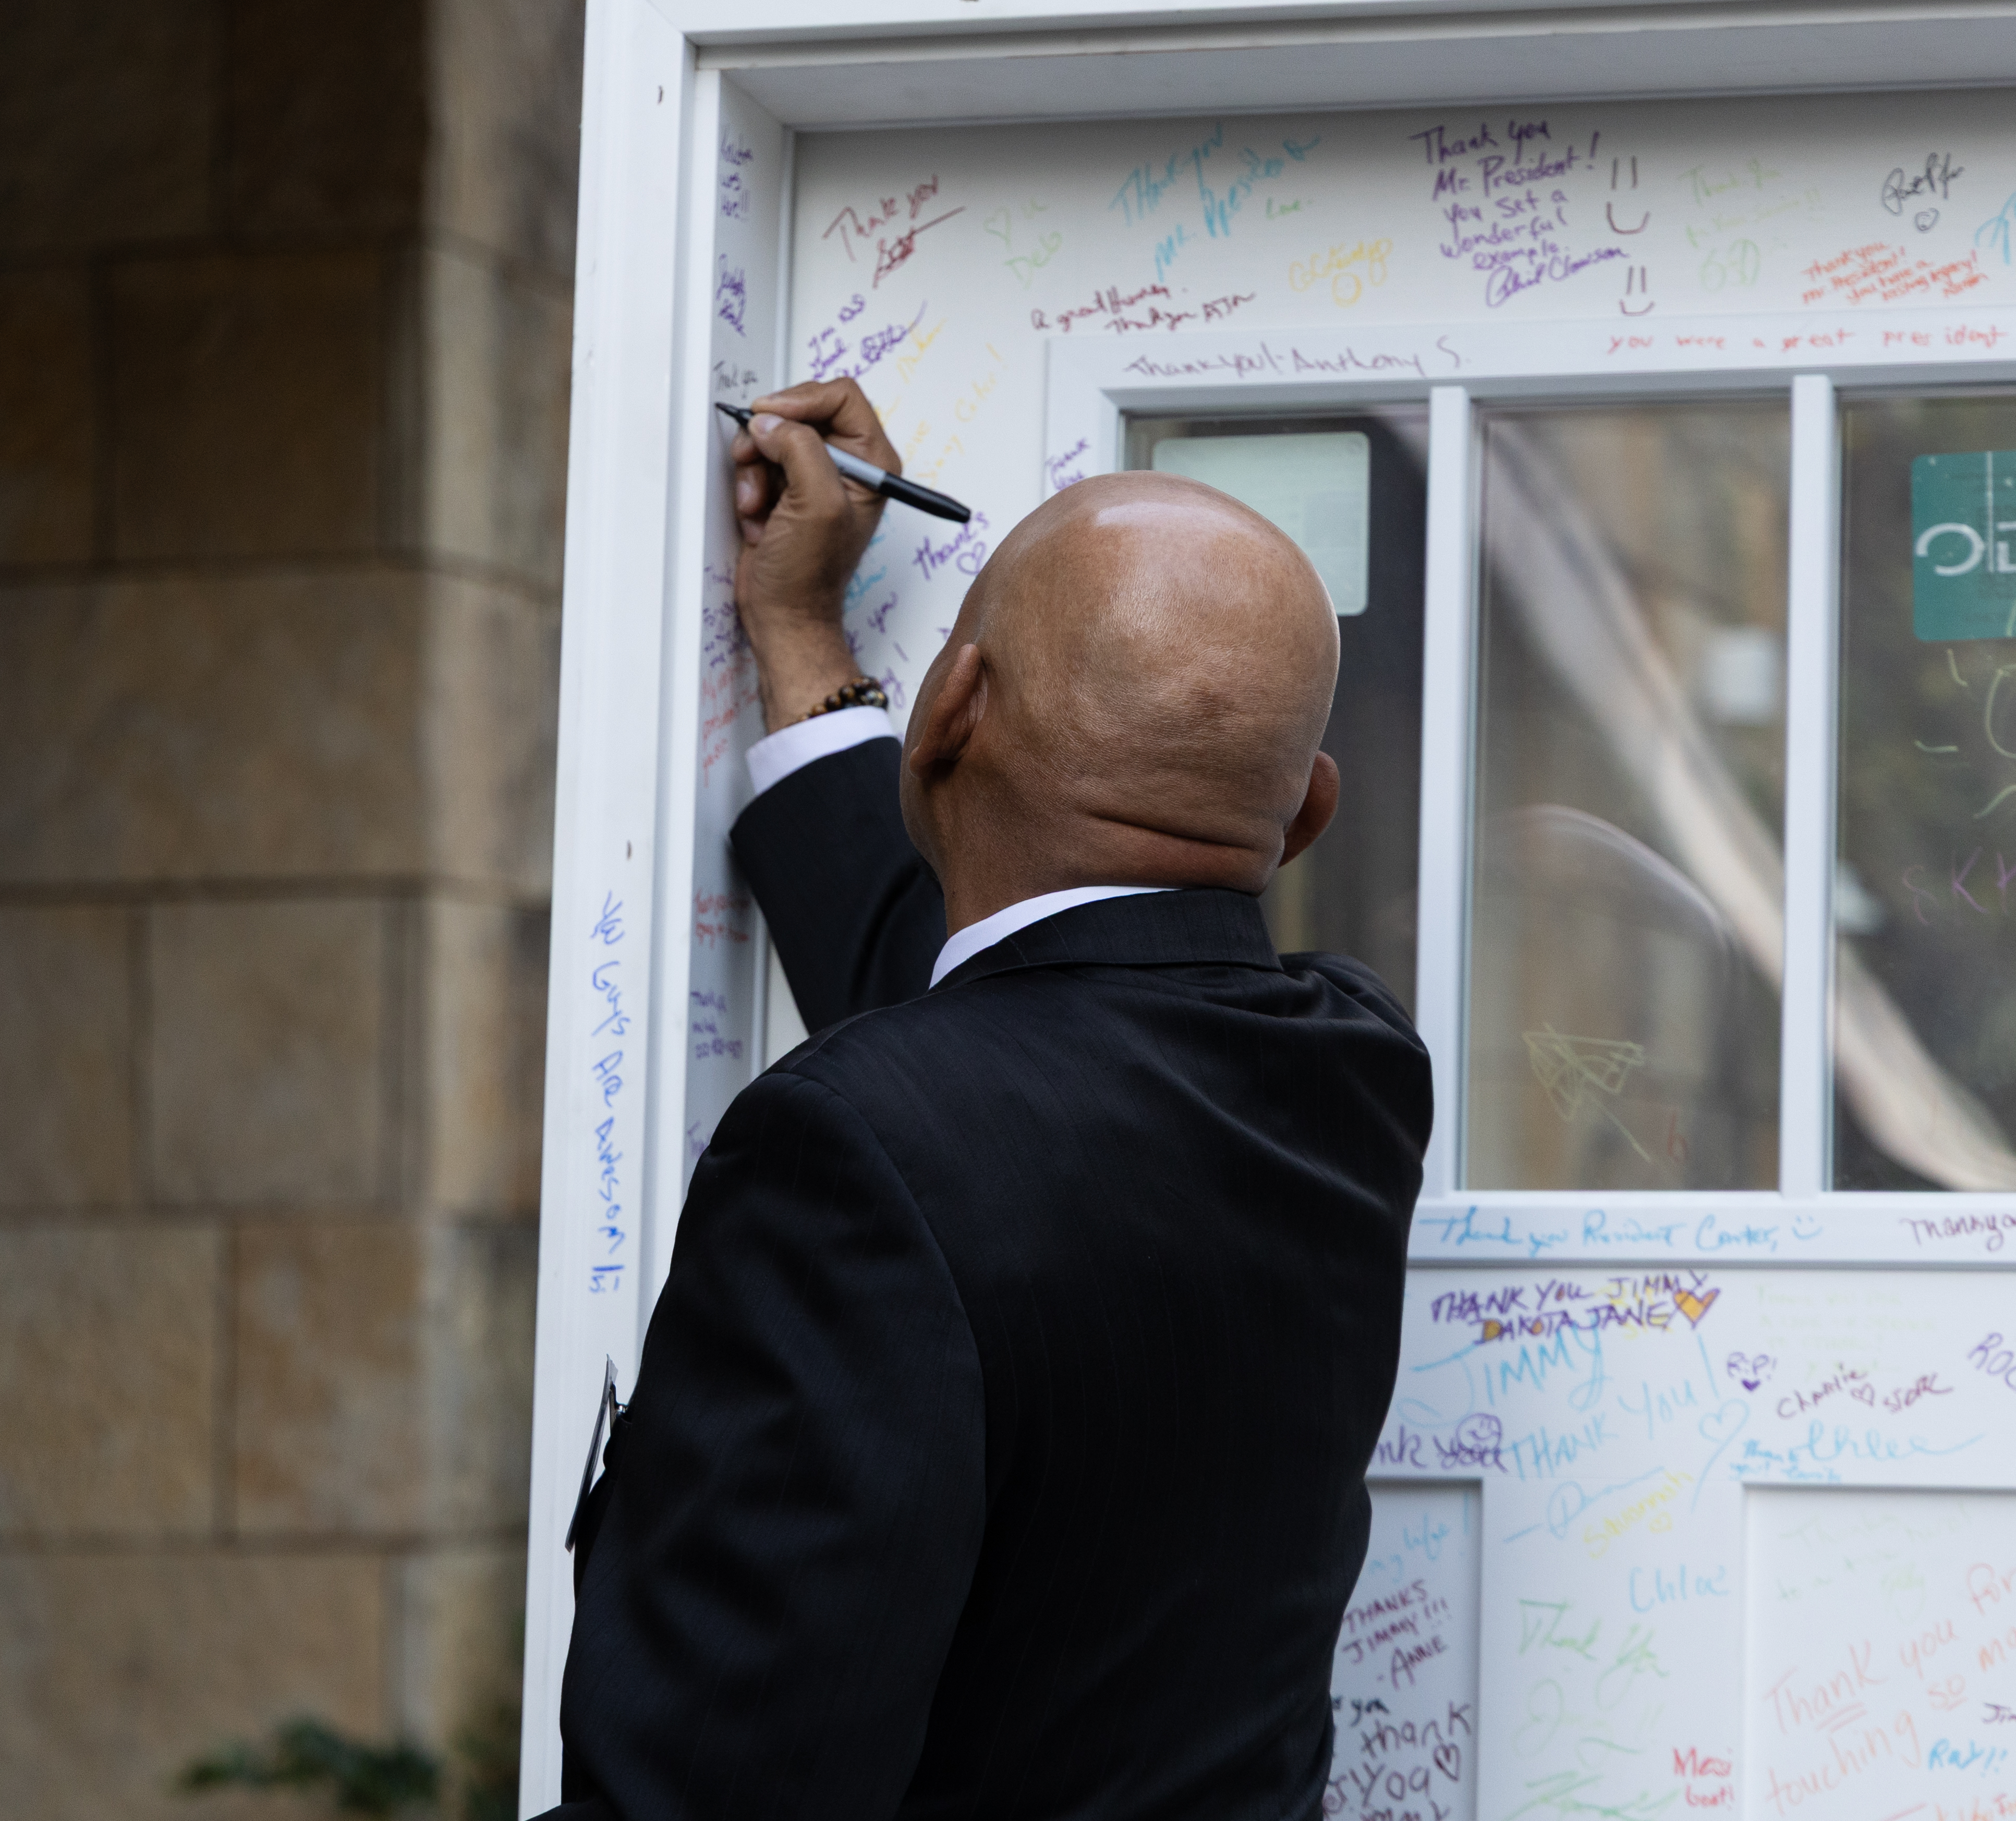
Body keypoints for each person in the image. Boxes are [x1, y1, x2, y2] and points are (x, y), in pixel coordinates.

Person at [541, 379, 1431, 1821]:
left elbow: (706, 1790)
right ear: (1308, 812)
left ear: (953, 706)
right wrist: (803, 644)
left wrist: (816, 649)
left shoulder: (857, 1151)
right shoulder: (1356, 1074)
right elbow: (1023, 1034)